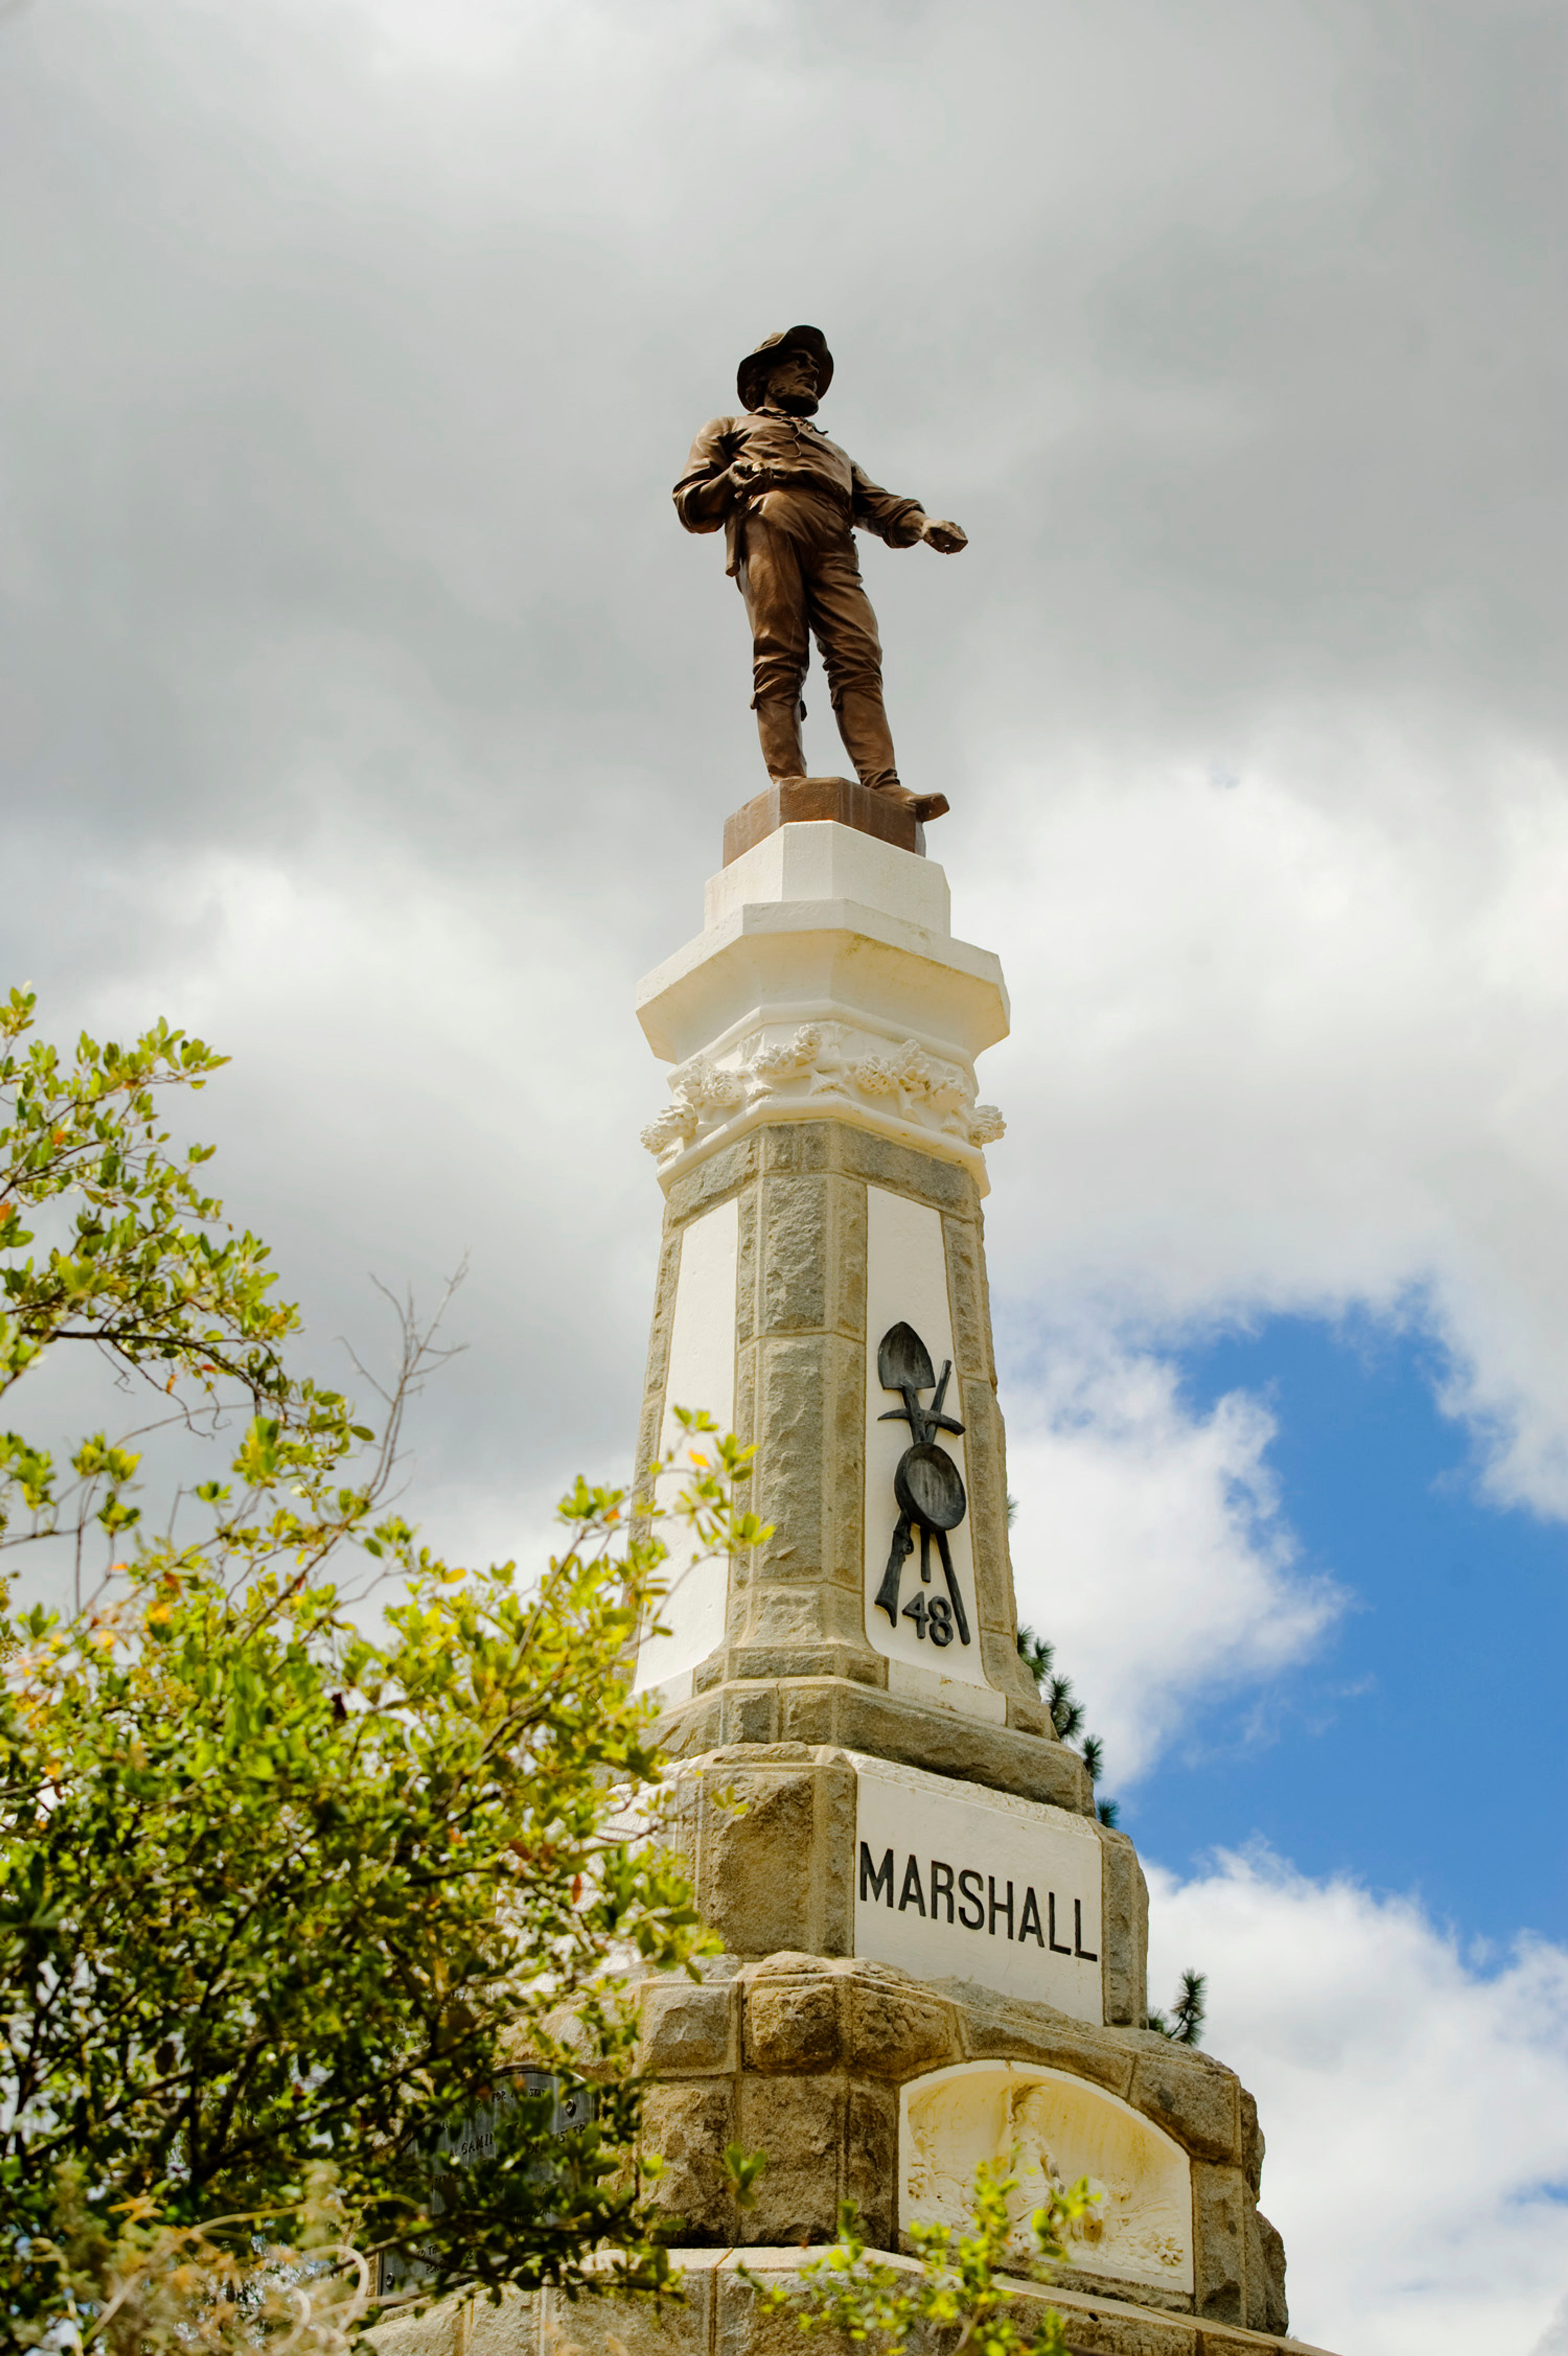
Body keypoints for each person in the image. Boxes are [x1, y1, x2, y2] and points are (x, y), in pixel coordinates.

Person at [673, 326, 967, 822]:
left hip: (834, 543)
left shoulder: (836, 455)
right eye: (798, 362)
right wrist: (731, 480)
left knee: (859, 654)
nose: (811, 371)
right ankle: (790, 782)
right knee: (780, 655)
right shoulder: (726, 428)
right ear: (763, 377)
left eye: (816, 365)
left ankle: (885, 784)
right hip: (770, 524)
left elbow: (880, 505)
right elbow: (691, 504)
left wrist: (922, 523)